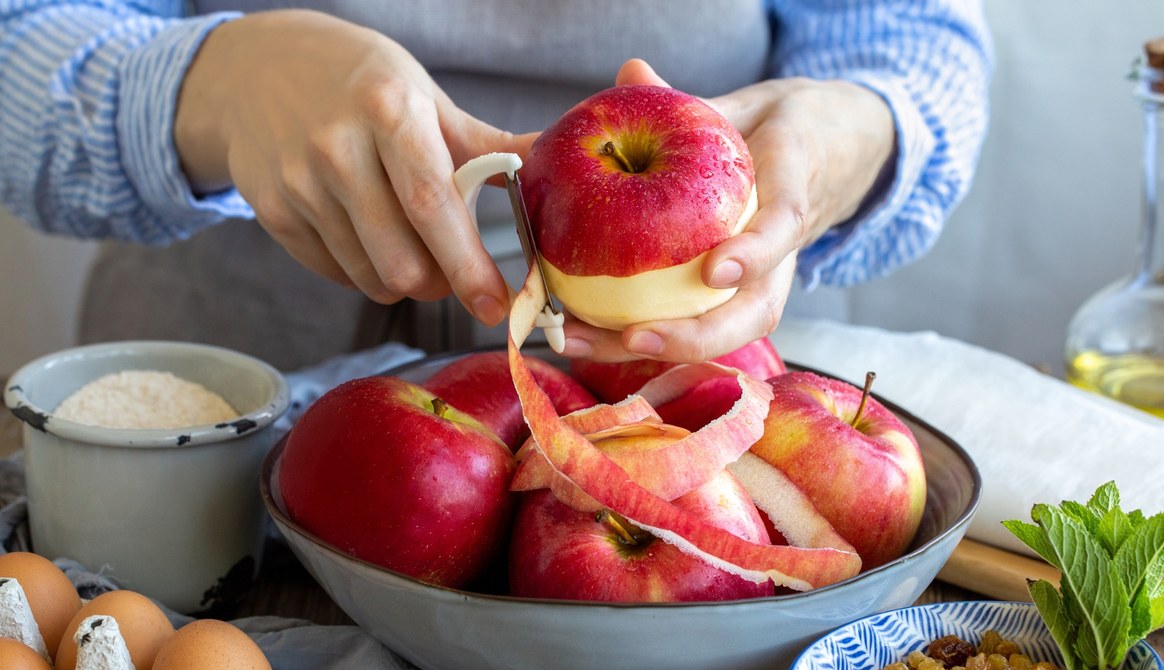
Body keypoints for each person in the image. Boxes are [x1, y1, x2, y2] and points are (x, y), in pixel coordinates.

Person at [0, 1, 992, 371]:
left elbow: (910, 41)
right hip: (222, 387)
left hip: (685, 398)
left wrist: (846, 138)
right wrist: (215, 83)